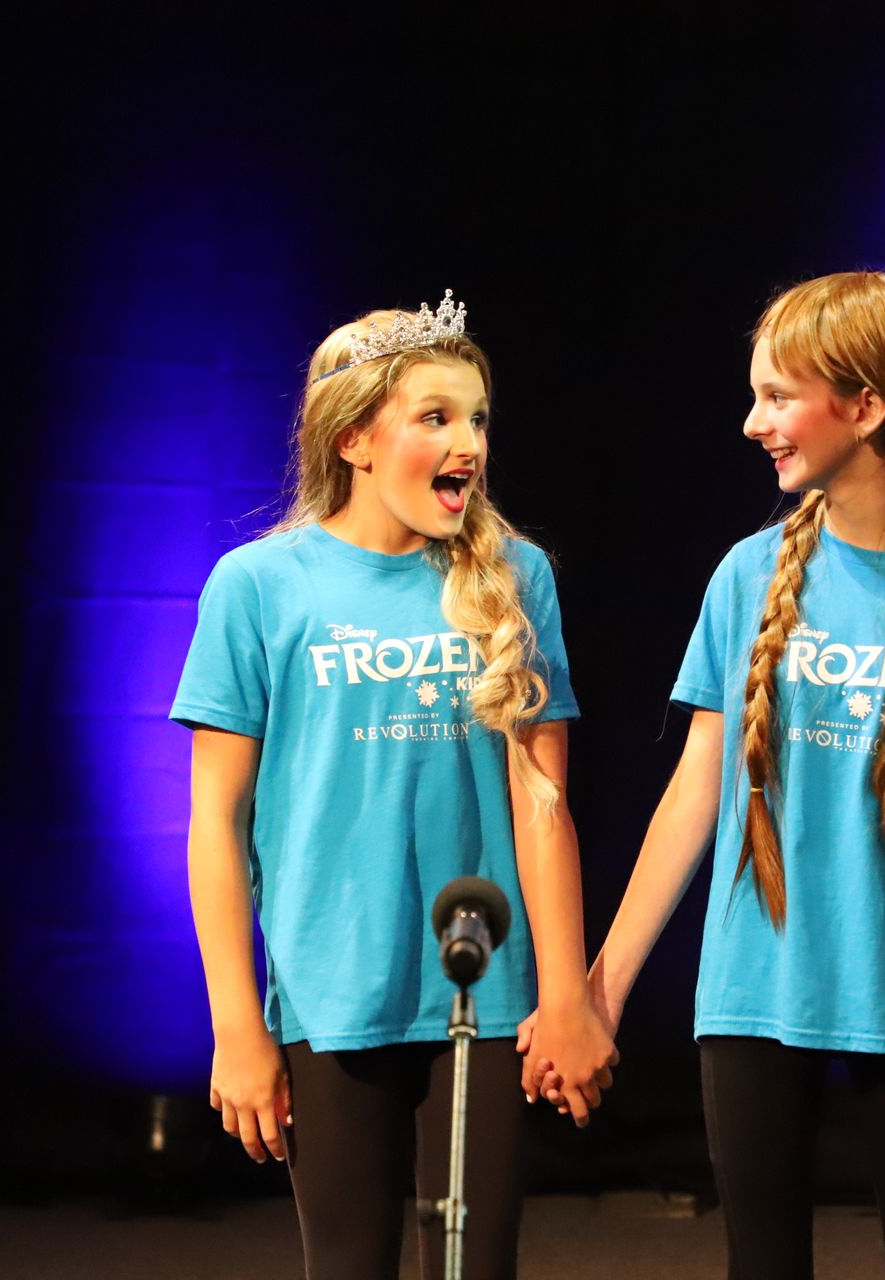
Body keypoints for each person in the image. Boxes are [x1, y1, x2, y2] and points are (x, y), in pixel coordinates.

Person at [547, 272, 885, 1277]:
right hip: (754, 988)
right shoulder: (747, 574)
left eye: (778, 396)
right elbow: (695, 790)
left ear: (864, 406)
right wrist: (599, 989)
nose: (753, 423)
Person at [173, 292, 616, 1280]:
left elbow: (543, 805)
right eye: (436, 417)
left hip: (487, 992)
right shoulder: (258, 586)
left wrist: (565, 992)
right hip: (331, 990)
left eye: (478, 419)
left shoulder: (515, 576)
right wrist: (236, 1024)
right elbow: (216, 821)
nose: (470, 444)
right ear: (355, 439)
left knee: (474, 1263)